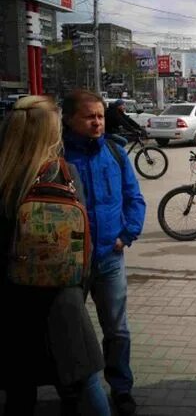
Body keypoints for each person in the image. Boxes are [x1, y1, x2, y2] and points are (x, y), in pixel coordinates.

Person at [0, 96, 110, 415]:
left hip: (11, 301)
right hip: (63, 299)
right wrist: (78, 286)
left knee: (19, 391)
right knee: (85, 382)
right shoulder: (63, 173)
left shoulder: (5, 177)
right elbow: (82, 242)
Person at [62, 89, 146, 416]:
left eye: (100, 115)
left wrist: (127, 235)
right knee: (70, 332)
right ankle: (73, 391)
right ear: (70, 120)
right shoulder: (57, 155)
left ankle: (121, 389)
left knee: (117, 330)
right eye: (89, 116)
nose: (97, 121)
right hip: (69, 263)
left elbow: (133, 197)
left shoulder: (114, 151)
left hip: (111, 257)